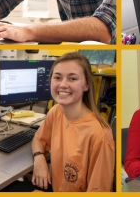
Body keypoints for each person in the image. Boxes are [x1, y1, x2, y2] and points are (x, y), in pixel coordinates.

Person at [31, 52, 114, 191]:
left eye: (72, 78)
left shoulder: (100, 134)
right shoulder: (56, 111)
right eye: (57, 77)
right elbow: (38, 139)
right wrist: (38, 158)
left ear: (86, 85)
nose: (63, 84)